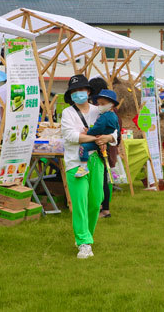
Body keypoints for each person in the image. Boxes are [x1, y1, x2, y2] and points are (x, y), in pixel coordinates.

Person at [60, 75, 117, 259]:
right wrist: (96, 138)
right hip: (75, 161)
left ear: (89, 91)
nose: (79, 94)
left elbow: (113, 131)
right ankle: (84, 242)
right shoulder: (67, 113)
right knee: (80, 202)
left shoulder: (98, 109)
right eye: (74, 91)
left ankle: (87, 236)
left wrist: (108, 138)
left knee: (95, 201)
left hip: (96, 160)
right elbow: (71, 136)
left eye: (81, 90)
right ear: (70, 95)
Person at [76, 89, 120, 177]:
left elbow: (98, 127)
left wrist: (88, 132)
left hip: (99, 140)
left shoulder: (104, 116)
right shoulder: (114, 116)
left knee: (83, 147)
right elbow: (117, 129)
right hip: (106, 142)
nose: (100, 106)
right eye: (99, 104)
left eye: (103, 104)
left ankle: (83, 167)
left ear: (112, 105)